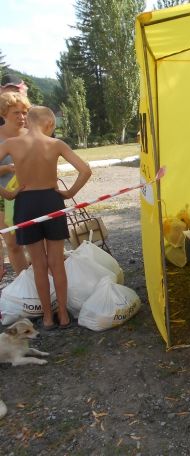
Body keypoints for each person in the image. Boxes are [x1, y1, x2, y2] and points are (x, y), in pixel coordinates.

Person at [0, 106, 91, 330]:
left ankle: (48, 318)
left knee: (38, 264)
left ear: (28, 121)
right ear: (49, 124)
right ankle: (64, 315)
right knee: (57, 262)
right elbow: (85, 170)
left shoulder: (11, 144)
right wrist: (69, 193)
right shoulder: (56, 144)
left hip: (25, 203)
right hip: (52, 201)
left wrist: (7, 194)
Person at [0, 92, 31, 278]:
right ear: (4, 113)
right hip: (3, 197)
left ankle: (44, 283)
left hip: (31, 193)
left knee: (38, 242)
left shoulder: (31, 134)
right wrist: (6, 168)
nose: (22, 117)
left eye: (24, 112)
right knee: (13, 244)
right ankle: (24, 283)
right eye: (16, 113)